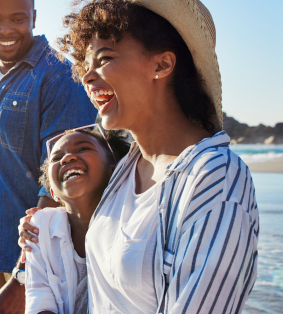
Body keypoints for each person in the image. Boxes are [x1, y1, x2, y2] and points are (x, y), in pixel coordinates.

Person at [18, 0, 259, 313]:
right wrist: (45, 228)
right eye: (85, 65)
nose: (87, 77)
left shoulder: (215, 178)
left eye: (104, 58)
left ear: (161, 65)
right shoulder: (126, 168)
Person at [0, 0, 97, 312]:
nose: (6, 29)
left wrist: (25, 270)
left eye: (17, 18)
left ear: (34, 18)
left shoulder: (58, 75)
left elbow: (65, 180)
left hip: (36, 259)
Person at [25, 126, 130, 314]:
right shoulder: (40, 227)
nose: (67, 158)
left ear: (113, 171)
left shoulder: (131, 225)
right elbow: (39, 295)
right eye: (56, 158)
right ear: (52, 193)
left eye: (83, 149)